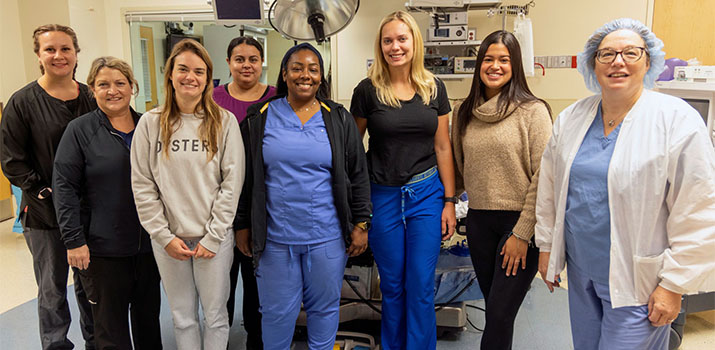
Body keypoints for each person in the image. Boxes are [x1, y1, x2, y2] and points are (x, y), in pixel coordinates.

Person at [535, 18, 715, 350]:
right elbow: (550, 190)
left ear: (649, 61)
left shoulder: (676, 119)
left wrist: (674, 285)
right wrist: (547, 247)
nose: (618, 61)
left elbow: (699, 210)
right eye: (607, 54)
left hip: (639, 281)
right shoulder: (572, 119)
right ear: (593, 63)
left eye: (631, 52)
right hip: (581, 272)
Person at [234, 43, 371, 350]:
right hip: (275, 240)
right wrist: (242, 223)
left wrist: (361, 224)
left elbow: (358, 173)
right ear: (284, 74)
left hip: (326, 238)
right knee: (276, 314)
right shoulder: (260, 117)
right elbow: (245, 178)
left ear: (321, 77)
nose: (305, 75)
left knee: (323, 311)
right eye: (297, 68)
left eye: (313, 69)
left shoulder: (337, 118)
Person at [350, 11, 456, 350]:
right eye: (388, 40)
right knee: (392, 285)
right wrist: (359, 213)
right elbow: (354, 153)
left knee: (421, 283)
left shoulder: (433, 88)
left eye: (401, 39)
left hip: (426, 194)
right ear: (380, 46)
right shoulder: (367, 91)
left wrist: (450, 201)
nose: (395, 46)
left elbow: (443, 146)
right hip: (383, 196)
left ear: (414, 42)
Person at [131, 39, 244, 350]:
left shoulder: (224, 122)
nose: (190, 77)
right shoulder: (150, 124)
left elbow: (231, 183)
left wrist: (213, 236)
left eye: (199, 71)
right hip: (169, 241)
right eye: (183, 69)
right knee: (182, 317)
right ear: (170, 74)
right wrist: (163, 235)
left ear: (208, 78)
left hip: (214, 241)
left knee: (216, 316)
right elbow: (142, 184)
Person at [52, 56, 163, 350]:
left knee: (149, 321)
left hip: (149, 246)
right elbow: (64, 188)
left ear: (132, 87)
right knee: (109, 329)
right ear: (92, 89)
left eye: (120, 83)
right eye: (103, 84)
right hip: (102, 250)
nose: (112, 90)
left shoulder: (149, 126)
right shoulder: (79, 131)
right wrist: (74, 240)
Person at [451, 30, 552, 350]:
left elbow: (545, 176)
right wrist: (446, 203)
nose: (495, 66)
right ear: (479, 64)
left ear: (516, 66)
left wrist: (522, 234)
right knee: (497, 312)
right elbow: (458, 170)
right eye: (488, 59)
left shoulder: (533, 111)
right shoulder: (464, 112)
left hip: (520, 226)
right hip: (480, 223)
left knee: (498, 313)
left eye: (504, 60)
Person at [0, 24, 96, 350]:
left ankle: (99, 342)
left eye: (65, 49)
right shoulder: (22, 103)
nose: (58, 56)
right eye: (50, 49)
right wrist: (44, 191)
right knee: (53, 289)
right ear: (38, 55)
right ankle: (56, 345)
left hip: (91, 212)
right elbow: (12, 160)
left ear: (76, 53)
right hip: (45, 216)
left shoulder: (92, 97)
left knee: (92, 287)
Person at [212, 36, 276, 350]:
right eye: (239, 59)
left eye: (253, 59)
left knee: (256, 284)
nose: (246, 65)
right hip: (218, 205)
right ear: (229, 63)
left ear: (261, 62)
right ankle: (218, 339)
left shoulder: (277, 99)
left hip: (261, 207)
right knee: (220, 285)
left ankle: (255, 338)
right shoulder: (213, 99)